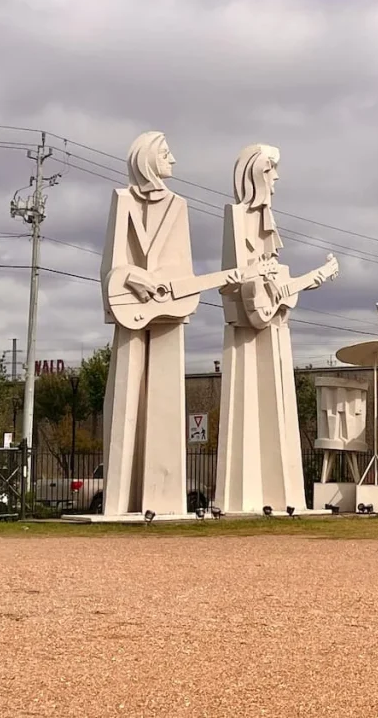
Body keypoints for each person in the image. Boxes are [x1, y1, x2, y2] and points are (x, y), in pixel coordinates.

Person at [215, 144, 335, 513]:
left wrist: (295, 286)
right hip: (247, 332)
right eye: (270, 170)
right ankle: (242, 498)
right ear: (254, 174)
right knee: (246, 410)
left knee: (278, 407)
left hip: (275, 330)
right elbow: (235, 280)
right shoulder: (237, 217)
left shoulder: (270, 224)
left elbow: (273, 279)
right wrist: (261, 290)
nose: (277, 177)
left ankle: (284, 499)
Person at [99, 131, 206, 515]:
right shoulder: (123, 199)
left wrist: (176, 294)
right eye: (165, 153)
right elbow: (111, 260)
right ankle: (117, 502)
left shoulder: (179, 205)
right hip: (131, 307)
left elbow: (184, 263)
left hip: (168, 311)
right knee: (125, 390)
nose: (173, 159)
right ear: (147, 159)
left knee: (166, 396)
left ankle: (163, 501)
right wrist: (130, 277)